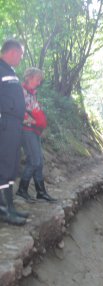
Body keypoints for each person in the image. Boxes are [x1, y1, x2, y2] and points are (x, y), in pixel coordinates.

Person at [16, 67, 57, 203]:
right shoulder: (20, 91)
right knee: (33, 161)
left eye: (40, 80)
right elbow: (17, 111)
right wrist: (33, 121)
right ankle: (22, 190)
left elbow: (33, 109)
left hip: (34, 130)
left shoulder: (32, 93)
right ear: (29, 77)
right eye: (37, 79)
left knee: (39, 162)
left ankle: (41, 192)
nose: (39, 82)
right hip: (26, 130)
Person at [0, 39, 29, 225]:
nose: (21, 58)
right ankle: (7, 210)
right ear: (12, 52)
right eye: (20, 55)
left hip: (14, 124)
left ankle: (7, 208)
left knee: (11, 165)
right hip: (5, 123)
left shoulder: (9, 70)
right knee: (4, 164)